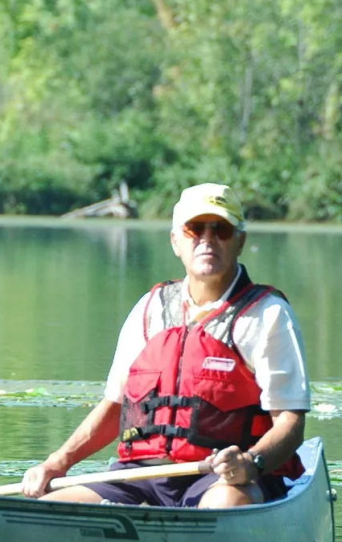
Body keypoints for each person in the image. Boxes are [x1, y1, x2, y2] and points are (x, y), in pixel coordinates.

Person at [20, 182, 309, 507]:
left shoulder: (268, 315)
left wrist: (251, 462)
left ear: (240, 241)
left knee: (225, 505)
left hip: (223, 480)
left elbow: (290, 421)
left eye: (222, 230)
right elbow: (115, 406)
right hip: (138, 477)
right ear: (176, 241)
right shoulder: (150, 308)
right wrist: (56, 463)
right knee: (55, 503)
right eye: (195, 229)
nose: (207, 240)